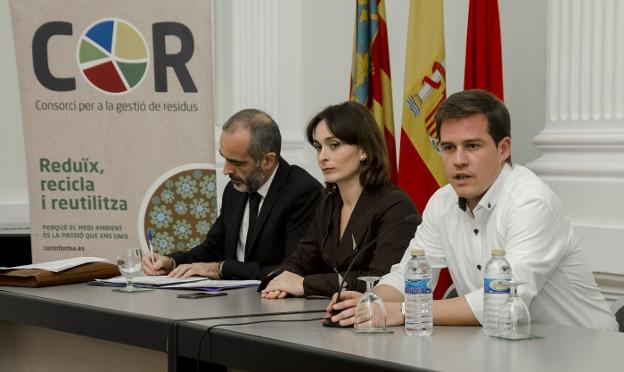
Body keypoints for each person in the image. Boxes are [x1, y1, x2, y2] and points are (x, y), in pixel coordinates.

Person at [326, 90, 618, 331]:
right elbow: (410, 274)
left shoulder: (530, 203)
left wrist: (403, 310)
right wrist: (369, 302)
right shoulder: (442, 202)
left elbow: (501, 299)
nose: (459, 160)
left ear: (503, 149)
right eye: (449, 148)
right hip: (506, 346)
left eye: (473, 146)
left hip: (583, 350)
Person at [260, 101, 419, 299]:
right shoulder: (329, 201)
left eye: (334, 145)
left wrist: (305, 284)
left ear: (364, 150)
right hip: (330, 313)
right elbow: (300, 259)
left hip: (379, 320)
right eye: (319, 147)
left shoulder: (396, 206)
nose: (322, 157)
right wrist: (279, 281)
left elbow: (381, 280)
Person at [142, 109, 322, 280]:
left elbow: (292, 270)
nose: (226, 170)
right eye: (224, 158)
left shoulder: (302, 192)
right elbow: (213, 248)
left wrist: (220, 269)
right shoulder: (235, 189)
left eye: (237, 162)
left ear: (268, 161)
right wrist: (172, 262)